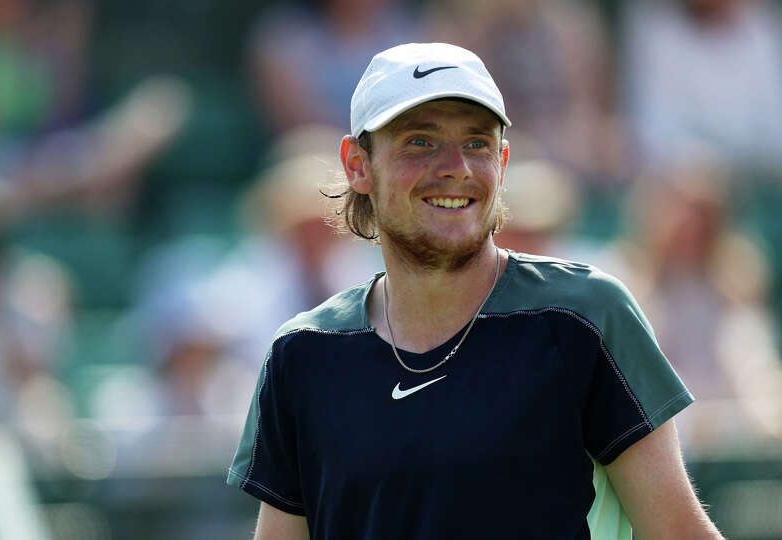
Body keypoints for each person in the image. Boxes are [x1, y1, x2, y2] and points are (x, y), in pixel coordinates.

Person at [227, 42, 723, 539]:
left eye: (477, 143)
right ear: (358, 164)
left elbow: (679, 530)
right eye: (420, 141)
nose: (456, 167)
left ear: (502, 162)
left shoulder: (585, 316)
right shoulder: (302, 353)